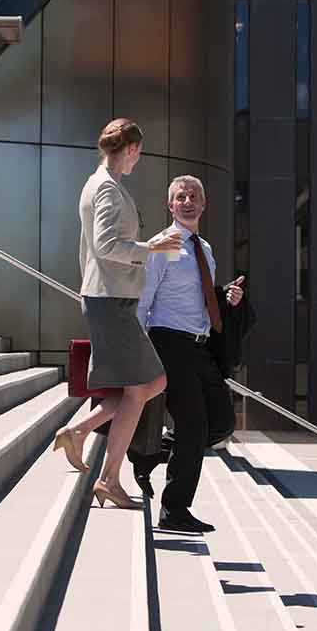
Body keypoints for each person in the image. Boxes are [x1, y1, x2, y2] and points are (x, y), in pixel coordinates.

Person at [52, 118, 182, 510]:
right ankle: (107, 476)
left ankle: (79, 434)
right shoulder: (106, 189)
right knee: (151, 382)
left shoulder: (103, 185)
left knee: (135, 388)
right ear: (128, 149)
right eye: (138, 152)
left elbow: (92, 249)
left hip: (109, 298)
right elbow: (107, 245)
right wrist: (152, 248)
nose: (137, 159)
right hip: (109, 300)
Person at [134, 175, 245, 533]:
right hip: (168, 342)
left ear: (203, 204)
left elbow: (198, 296)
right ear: (170, 205)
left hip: (199, 345)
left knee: (222, 422)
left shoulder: (205, 249)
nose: (187, 201)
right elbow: (144, 299)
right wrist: (139, 349)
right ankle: (174, 510)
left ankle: (153, 453)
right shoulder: (163, 245)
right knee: (193, 425)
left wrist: (227, 298)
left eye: (194, 196)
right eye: (180, 196)